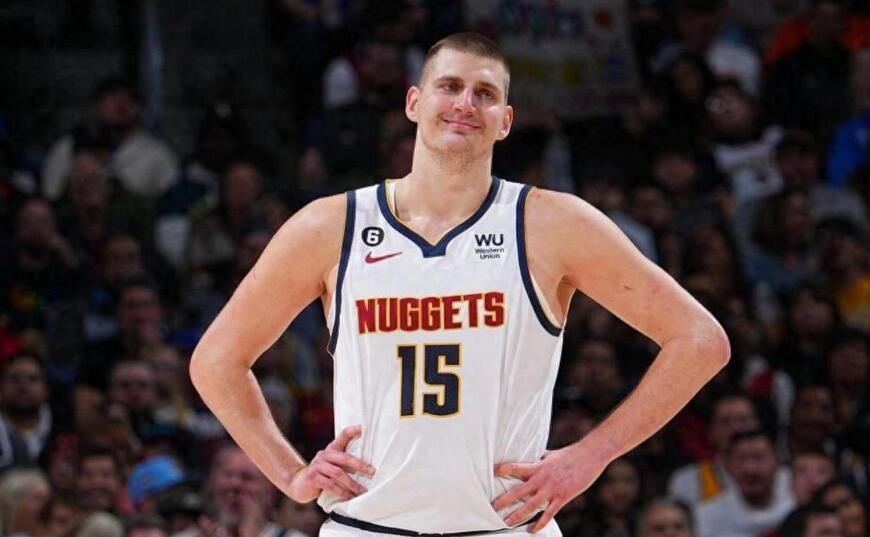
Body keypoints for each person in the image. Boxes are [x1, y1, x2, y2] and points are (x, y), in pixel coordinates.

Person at [190, 32, 730, 536]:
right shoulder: (330, 226)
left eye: (485, 94)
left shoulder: (551, 223)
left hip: (505, 527)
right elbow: (216, 360)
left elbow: (700, 341)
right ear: (414, 102)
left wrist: (591, 456)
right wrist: (291, 474)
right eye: (449, 86)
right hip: (367, 526)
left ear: (506, 121)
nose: (466, 104)